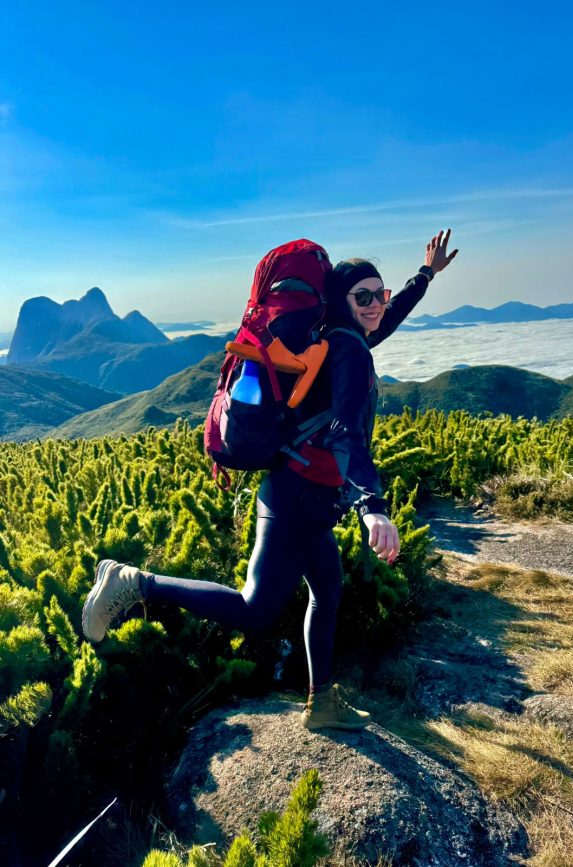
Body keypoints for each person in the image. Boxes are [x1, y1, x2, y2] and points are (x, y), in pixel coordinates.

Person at [82, 230, 458, 729]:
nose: (375, 306)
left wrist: (425, 276)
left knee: (327, 589)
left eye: (380, 295)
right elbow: (347, 434)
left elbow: (384, 322)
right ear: (338, 301)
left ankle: (321, 702)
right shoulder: (346, 350)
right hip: (298, 497)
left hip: (305, 493)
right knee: (256, 607)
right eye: (362, 296)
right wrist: (373, 506)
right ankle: (136, 582)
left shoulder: (340, 338)